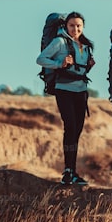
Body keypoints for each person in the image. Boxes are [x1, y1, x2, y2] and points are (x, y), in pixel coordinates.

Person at [36, 11, 95, 185]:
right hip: (64, 90)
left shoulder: (85, 45)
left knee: (76, 131)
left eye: (78, 26)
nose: (75, 29)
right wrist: (58, 64)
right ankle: (68, 171)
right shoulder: (59, 42)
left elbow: (80, 69)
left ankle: (73, 171)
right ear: (65, 26)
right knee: (70, 127)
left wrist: (89, 67)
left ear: (83, 27)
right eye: (72, 25)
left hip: (81, 91)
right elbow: (40, 59)